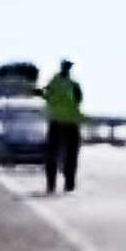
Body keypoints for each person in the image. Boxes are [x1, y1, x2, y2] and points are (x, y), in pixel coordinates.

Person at [41, 58, 84, 193]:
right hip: (70, 122)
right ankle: (68, 184)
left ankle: (51, 184)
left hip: (56, 121)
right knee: (71, 154)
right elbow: (79, 100)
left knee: (52, 154)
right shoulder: (73, 84)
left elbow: (46, 96)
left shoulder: (53, 83)